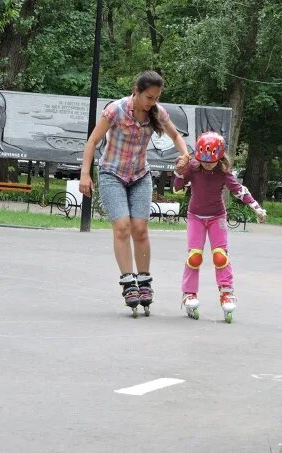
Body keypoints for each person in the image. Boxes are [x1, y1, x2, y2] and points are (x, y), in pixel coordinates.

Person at [79, 70, 190, 317]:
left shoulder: (157, 113)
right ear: (136, 90)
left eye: (156, 97)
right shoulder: (115, 111)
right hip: (112, 175)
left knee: (140, 229)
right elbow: (93, 141)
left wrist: (185, 155)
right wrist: (84, 174)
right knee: (122, 228)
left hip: (140, 176)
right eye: (149, 97)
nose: (153, 102)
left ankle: (144, 279)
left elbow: (175, 136)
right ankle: (129, 282)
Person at [173, 131, 266, 323]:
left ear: (220, 156)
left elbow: (240, 191)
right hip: (195, 217)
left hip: (217, 217)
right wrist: (179, 171)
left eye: (212, 160)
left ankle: (226, 292)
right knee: (195, 256)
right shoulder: (192, 167)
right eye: (204, 160)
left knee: (220, 255)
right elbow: (177, 188)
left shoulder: (223, 172)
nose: (207, 164)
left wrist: (256, 208)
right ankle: (189, 293)